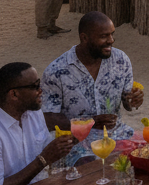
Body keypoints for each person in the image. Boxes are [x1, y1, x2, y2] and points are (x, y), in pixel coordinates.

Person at [42, 11, 143, 151]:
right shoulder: (56, 71)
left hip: (116, 135)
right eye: (103, 36)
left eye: (112, 34)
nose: (111, 40)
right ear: (84, 38)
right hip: (76, 143)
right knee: (98, 164)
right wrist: (90, 123)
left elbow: (127, 103)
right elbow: (48, 118)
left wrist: (133, 99)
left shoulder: (121, 60)